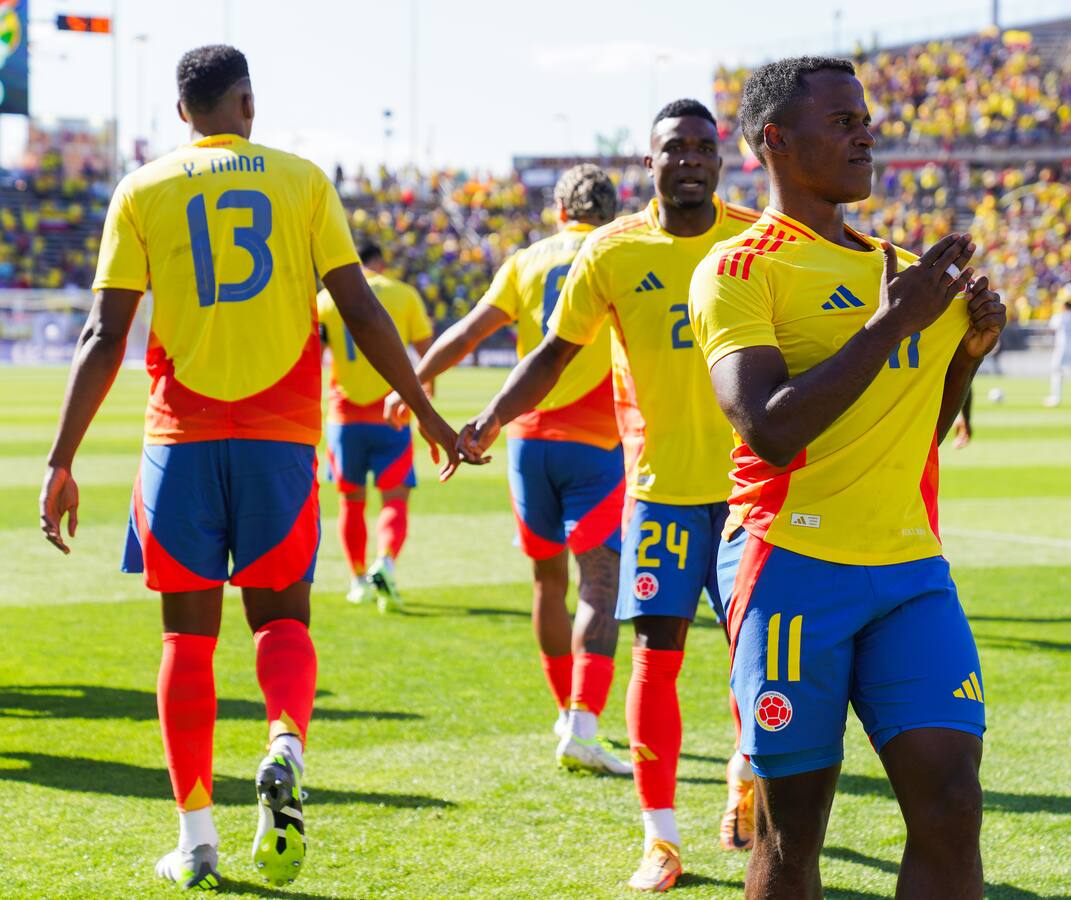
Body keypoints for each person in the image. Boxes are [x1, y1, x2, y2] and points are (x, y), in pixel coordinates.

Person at [37, 45, 462, 891]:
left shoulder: (141, 189)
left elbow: (102, 334)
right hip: (280, 441)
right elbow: (361, 306)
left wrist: (61, 459)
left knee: (185, 641)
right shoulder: (304, 181)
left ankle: (197, 843)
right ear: (247, 103)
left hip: (180, 441)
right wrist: (426, 411)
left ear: (182, 111)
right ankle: (285, 745)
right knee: (280, 621)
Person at [689, 57, 1006, 899]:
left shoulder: (905, 268)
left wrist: (964, 359)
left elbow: (912, 435)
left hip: (908, 572)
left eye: (865, 116)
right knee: (794, 837)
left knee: (950, 802)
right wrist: (894, 321)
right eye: (840, 120)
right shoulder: (737, 270)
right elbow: (769, 429)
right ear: (776, 142)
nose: (865, 131)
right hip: (791, 565)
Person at [459, 99, 760, 892]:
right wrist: (490, 420)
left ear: (720, 159)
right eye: (675, 148)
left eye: (704, 147)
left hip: (750, 498)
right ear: (648, 159)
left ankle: (744, 772)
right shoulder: (613, 250)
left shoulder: (759, 240)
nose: (691, 159)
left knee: (753, 661)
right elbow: (556, 353)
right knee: (655, 662)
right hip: (660, 494)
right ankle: (660, 840)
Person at [401, 164, 630, 774]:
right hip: (599, 440)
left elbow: (469, 331)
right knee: (600, 581)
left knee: (546, 584)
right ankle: (583, 721)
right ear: (612, 211)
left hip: (526, 437)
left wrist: (418, 382)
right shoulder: (621, 250)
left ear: (559, 208)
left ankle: (565, 713)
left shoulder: (527, 260)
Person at [318, 238, 434, 612]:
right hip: (392, 414)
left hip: (344, 416)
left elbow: (311, 355)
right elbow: (428, 353)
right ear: (379, 262)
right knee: (395, 498)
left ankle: (356, 581)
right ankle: (384, 562)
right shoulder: (403, 294)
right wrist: (425, 409)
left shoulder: (325, 299)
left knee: (351, 500)